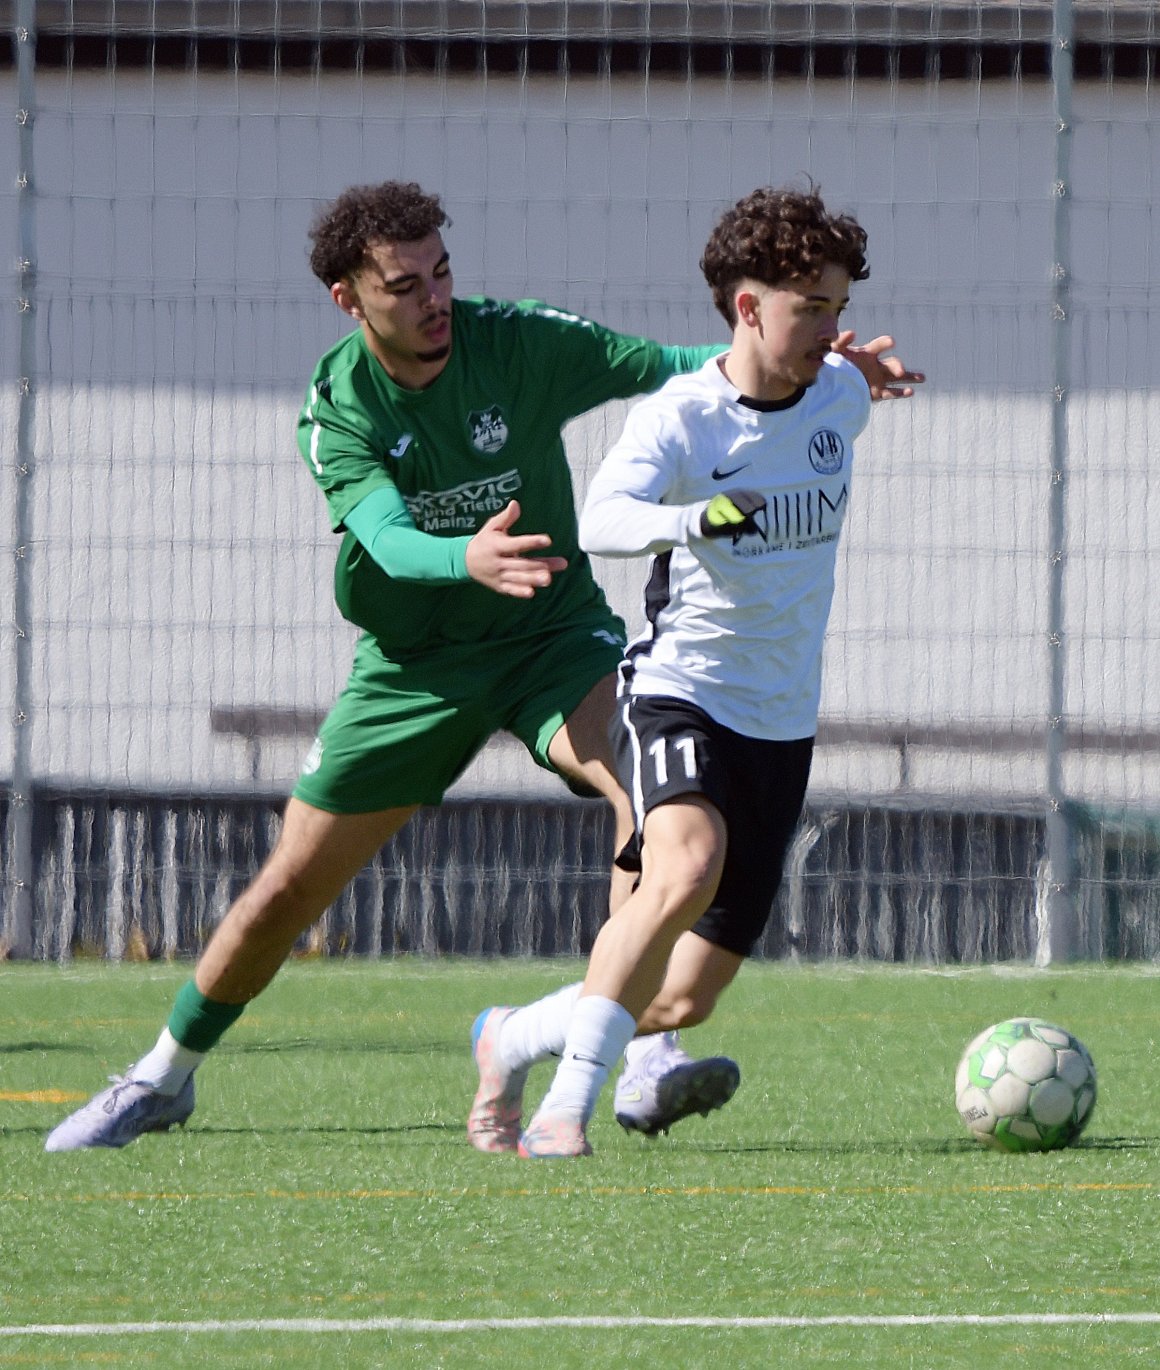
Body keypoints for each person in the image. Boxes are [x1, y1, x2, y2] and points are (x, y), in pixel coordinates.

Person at [46, 181, 918, 1154]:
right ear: (350, 299)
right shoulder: (340, 406)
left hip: (552, 641)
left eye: (443, 272)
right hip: (416, 669)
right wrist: (460, 557)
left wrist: (819, 351)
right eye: (404, 283)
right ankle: (161, 1075)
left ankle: (636, 1058)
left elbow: (679, 365)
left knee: (656, 817)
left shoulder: (511, 341)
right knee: (288, 886)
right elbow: (379, 533)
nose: (434, 299)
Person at [476, 184, 918, 1158]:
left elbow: (838, 373)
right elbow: (602, 517)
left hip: (779, 722)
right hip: (678, 690)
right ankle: (562, 1112)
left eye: (838, 306)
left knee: (682, 995)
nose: (828, 327)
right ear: (744, 306)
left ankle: (509, 1036)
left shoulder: (837, 395)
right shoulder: (683, 419)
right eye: (810, 307)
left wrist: (858, 363)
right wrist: (698, 519)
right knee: (679, 864)